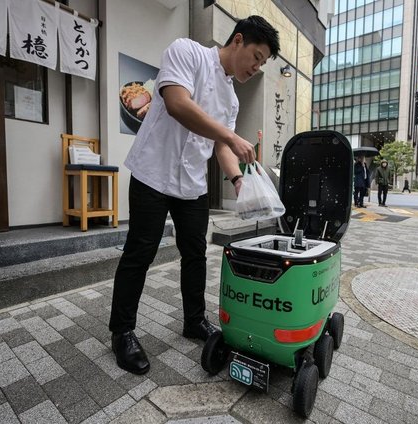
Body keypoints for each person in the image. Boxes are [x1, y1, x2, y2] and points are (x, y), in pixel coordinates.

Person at [109, 16, 280, 375]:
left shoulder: (231, 100)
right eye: (257, 56)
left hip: (192, 185)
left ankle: (194, 321)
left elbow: (220, 146)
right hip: (153, 172)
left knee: (196, 254)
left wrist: (237, 180)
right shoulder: (187, 51)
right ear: (238, 41)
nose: (256, 66)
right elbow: (177, 104)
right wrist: (233, 138)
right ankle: (122, 331)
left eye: (263, 63)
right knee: (140, 252)